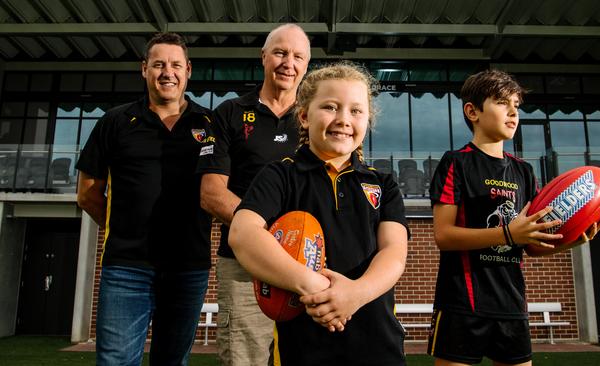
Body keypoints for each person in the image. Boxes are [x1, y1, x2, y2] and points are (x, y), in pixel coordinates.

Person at [228, 62, 409, 365]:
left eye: (356, 111)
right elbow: (242, 233)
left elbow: (395, 254)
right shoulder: (280, 175)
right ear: (303, 116)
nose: (343, 119)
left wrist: (354, 294)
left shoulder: (383, 183)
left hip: (378, 345)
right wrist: (315, 287)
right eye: (330, 107)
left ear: (368, 120)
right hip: (303, 347)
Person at [427, 69, 600, 366]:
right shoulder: (456, 162)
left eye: (516, 105)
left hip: (512, 304)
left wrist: (571, 243)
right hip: (463, 302)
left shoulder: (524, 171)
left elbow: (530, 244)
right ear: (472, 111)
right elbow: (444, 237)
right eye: (501, 102)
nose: (513, 111)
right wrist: (507, 234)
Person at [76, 32, 213, 366]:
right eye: (158, 64)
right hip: (126, 268)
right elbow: (87, 193)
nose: (168, 72)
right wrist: (125, 228)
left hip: (188, 269)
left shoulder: (209, 125)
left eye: (175, 65)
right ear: (144, 69)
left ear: (188, 70)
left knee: (172, 361)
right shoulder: (115, 121)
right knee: (116, 361)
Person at [196, 24, 310, 366]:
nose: (288, 63)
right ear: (263, 57)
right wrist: (271, 237)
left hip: (308, 266)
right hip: (244, 264)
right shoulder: (227, 114)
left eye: (297, 56)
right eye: (280, 52)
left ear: (306, 66)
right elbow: (212, 195)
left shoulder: (315, 118)